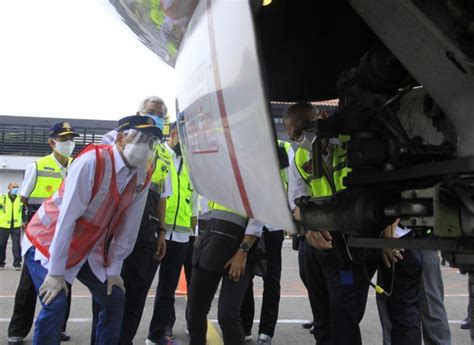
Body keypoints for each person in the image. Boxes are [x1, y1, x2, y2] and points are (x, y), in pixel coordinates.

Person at [23, 115, 161, 345]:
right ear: (120, 139)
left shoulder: (142, 175)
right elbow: (67, 219)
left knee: (114, 299)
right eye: (140, 138)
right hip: (47, 241)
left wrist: (114, 269)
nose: (145, 147)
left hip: (85, 247)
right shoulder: (92, 161)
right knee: (56, 302)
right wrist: (57, 273)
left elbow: (129, 227)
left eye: (152, 142)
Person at [284, 102, 380, 345]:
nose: (301, 137)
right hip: (318, 246)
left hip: (349, 249)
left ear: (323, 116)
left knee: (343, 312)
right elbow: (296, 202)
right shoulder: (299, 158)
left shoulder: (353, 143)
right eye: (295, 135)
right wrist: (308, 225)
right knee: (322, 315)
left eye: (305, 127)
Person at [90, 100, 171, 345]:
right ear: (138, 114)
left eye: (159, 115)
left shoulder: (163, 153)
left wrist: (161, 232)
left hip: (145, 232)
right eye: (150, 112)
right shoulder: (117, 138)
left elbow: (163, 196)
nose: (154, 117)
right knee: (106, 295)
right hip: (113, 229)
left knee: (136, 296)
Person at [8, 121, 79, 345]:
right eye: (64, 139)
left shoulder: (77, 165)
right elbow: (23, 199)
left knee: (64, 281)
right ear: (52, 142)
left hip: (65, 233)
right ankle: (17, 329)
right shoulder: (37, 167)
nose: (69, 143)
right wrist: (23, 231)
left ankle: (58, 327)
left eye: (71, 139)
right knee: (29, 284)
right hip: (38, 235)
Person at [146, 121, 198, 344]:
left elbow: (194, 200)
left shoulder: (190, 164)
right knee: (141, 284)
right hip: (156, 230)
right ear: (175, 134)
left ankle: (159, 332)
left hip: (181, 235)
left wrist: (195, 233)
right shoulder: (161, 153)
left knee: (168, 287)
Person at [240, 140, 294, 345]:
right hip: (247, 224)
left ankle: (266, 331)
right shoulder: (246, 145)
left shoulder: (284, 148)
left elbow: (290, 184)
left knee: (272, 280)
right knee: (246, 278)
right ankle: (245, 327)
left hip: (272, 225)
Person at [187, 201, 262, 345]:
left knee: (227, 315)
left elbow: (257, 217)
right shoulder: (210, 179)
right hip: (208, 246)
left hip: (239, 252)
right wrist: (200, 241)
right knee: (195, 311)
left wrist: (243, 251)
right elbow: (203, 210)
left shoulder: (251, 179)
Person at [0, 182, 24, 271]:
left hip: (16, 225)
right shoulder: (2, 198)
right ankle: (1, 263)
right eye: (14, 187)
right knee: (1, 245)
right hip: (3, 225)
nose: (16, 189)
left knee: (17, 245)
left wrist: (24, 221)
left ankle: (17, 264)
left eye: (17, 187)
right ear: (9, 188)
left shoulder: (20, 198)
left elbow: (23, 210)